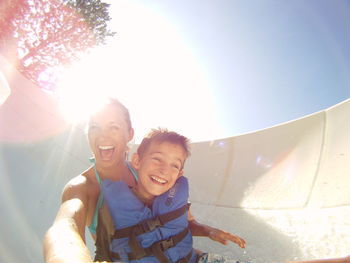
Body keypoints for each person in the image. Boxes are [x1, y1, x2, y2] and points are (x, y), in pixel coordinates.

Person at [43, 98, 245, 263]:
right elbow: (64, 230)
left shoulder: (154, 170)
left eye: (113, 127)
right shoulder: (81, 188)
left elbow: (180, 221)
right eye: (95, 127)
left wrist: (208, 231)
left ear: (129, 134)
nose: (103, 136)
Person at [102, 128, 246, 262]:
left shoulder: (177, 197)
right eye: (157, 159)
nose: (164, 170)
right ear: (137, 161)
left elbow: (187, 223)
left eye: (175, 165)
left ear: (179, 175)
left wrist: (210, 231)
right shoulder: (112, 207)